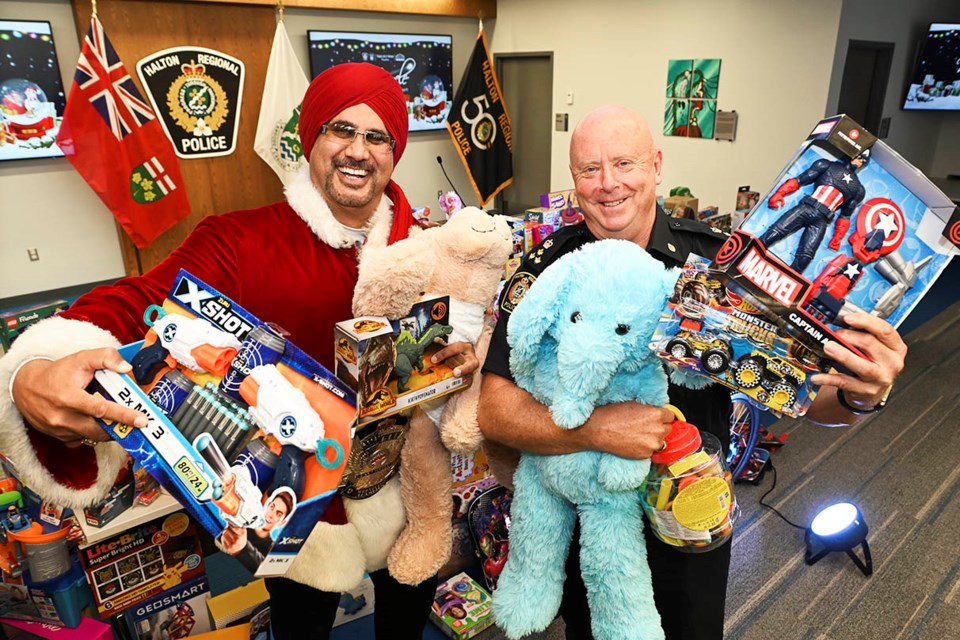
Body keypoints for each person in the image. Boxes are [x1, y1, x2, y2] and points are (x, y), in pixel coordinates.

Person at [0, 62, 478, 640]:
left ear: (395, 151)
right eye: (340, 130)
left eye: (377, 137)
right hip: (297, 509)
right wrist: (37, 364)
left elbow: (448, 343)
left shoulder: (425, 245)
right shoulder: (239, 240)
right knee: (301, 628)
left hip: (407, 493)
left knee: (405, 626)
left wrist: (456, 361)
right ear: (311, 140)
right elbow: (139, 299)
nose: (358, 150)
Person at [477, 104, 906, 639]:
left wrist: (862, 393)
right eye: (590, 170)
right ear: (574, 180)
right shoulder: (546, 269)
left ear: (657, 165)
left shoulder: (718, 267)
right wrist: (597, 430)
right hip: (587, 524)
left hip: (692, 524)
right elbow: (494, 411)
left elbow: (802, 395)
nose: (608, 184)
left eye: (625, 163)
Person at [758, 150, 870, 274]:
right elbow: (799, 180)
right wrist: (780, 193)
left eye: (863, 160)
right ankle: (745, 254)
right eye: (859, 157)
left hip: (821, 220)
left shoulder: (858, 189)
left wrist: (837, 237)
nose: (859, 161)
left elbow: (845, 216)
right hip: (806, 208)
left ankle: (788, 280)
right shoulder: (826, 165)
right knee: (774, 233)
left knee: (805, 257)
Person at [221, 488, 295, 573]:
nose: (271, 515)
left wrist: (243, 548)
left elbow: (268, 570)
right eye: (272, 507)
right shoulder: (242, 524)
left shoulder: (273, 551)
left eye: (278, 514)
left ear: (282, 522)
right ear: (267, 506)